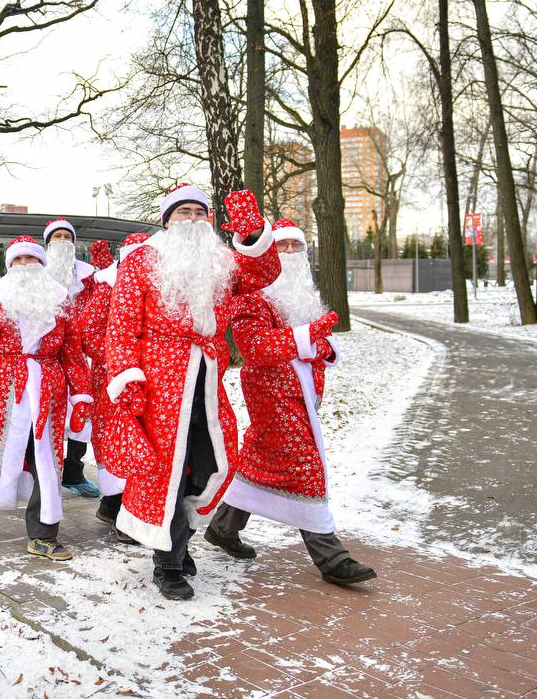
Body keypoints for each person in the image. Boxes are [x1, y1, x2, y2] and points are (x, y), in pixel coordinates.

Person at [102, 185, 280, 600]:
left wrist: (253, 235)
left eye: (201, 212)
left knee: (209, 465)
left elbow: (262, 274)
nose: (194, 219)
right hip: (159, 384)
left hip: (207, 379)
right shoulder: (143, 260)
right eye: (184, 211)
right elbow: (121, 325)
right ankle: (168, 562)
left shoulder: (221, 261)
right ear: (167, 220)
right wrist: (127, 377)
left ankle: (178, 538)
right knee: (168, 472)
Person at [207, 218, 377, 586]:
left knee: (261, 458)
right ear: (267, 251)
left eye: (295, 246)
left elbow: (319, 342)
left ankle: (223, 527)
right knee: (304, 466)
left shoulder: (303, 291)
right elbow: (254, 347)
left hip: (302, 393)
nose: (288, 252)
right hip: (269, 391)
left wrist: (321, 346)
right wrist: (308, 338)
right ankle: (331, 558)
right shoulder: (253, 292)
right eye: (280, 245)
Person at [0, 237, 92, 560]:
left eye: (31, 259)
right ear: (9, 265)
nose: (25, 265)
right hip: (6, 385)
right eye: (18, 260)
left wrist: (81, 395)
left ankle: (43, 535)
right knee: (3, 454)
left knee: (47, 460)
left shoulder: (59, 298)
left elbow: (72, 352)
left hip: (49, 387)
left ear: (42, 264)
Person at [77, 233, 146, 542]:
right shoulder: (109, 286)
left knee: (143, 439)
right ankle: (119, 509)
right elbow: (89, 331)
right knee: (118, 437)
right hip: (113, 378)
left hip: (150, 376)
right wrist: (118, 358)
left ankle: (116, 506)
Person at [43, 217, 101, 499]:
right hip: (48, 354)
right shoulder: (37, 272)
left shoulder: (89, 276)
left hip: (81, 353)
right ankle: (41, 471)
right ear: (48, 243)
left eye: (67, 237)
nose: (63, 241)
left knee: (82, 409)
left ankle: (74, 471)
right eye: (57, 237)